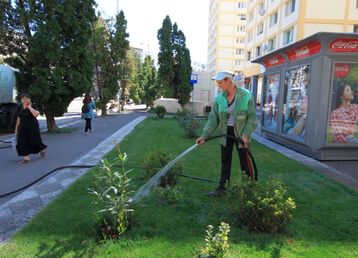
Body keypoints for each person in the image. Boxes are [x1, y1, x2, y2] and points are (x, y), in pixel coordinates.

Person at [196, 71, 258, 196]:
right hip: (225, 133)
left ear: (229, 81)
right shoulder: (219, 99)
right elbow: (213, 120)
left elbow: (252, 118)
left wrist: (246, 135)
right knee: (225, 161)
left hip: (241, 134)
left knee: (244, 162)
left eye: (220, 83)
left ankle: (247, 189)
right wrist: (204, 136)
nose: (218, 86)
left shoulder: (246, 95)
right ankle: (222, 188)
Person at [15, 94, 47, 164]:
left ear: (30, 99)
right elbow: (18, 118)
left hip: (32, 127)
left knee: (35, 141)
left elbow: (36, 114)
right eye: (23, 98)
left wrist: (29, 107)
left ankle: (41, 149)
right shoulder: (19, 107)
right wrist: (16, 129)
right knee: (22, 142)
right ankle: (26, 159)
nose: (25, 100)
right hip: (22, 128)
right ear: (21, 100)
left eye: (26, 98)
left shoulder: (34, 106)